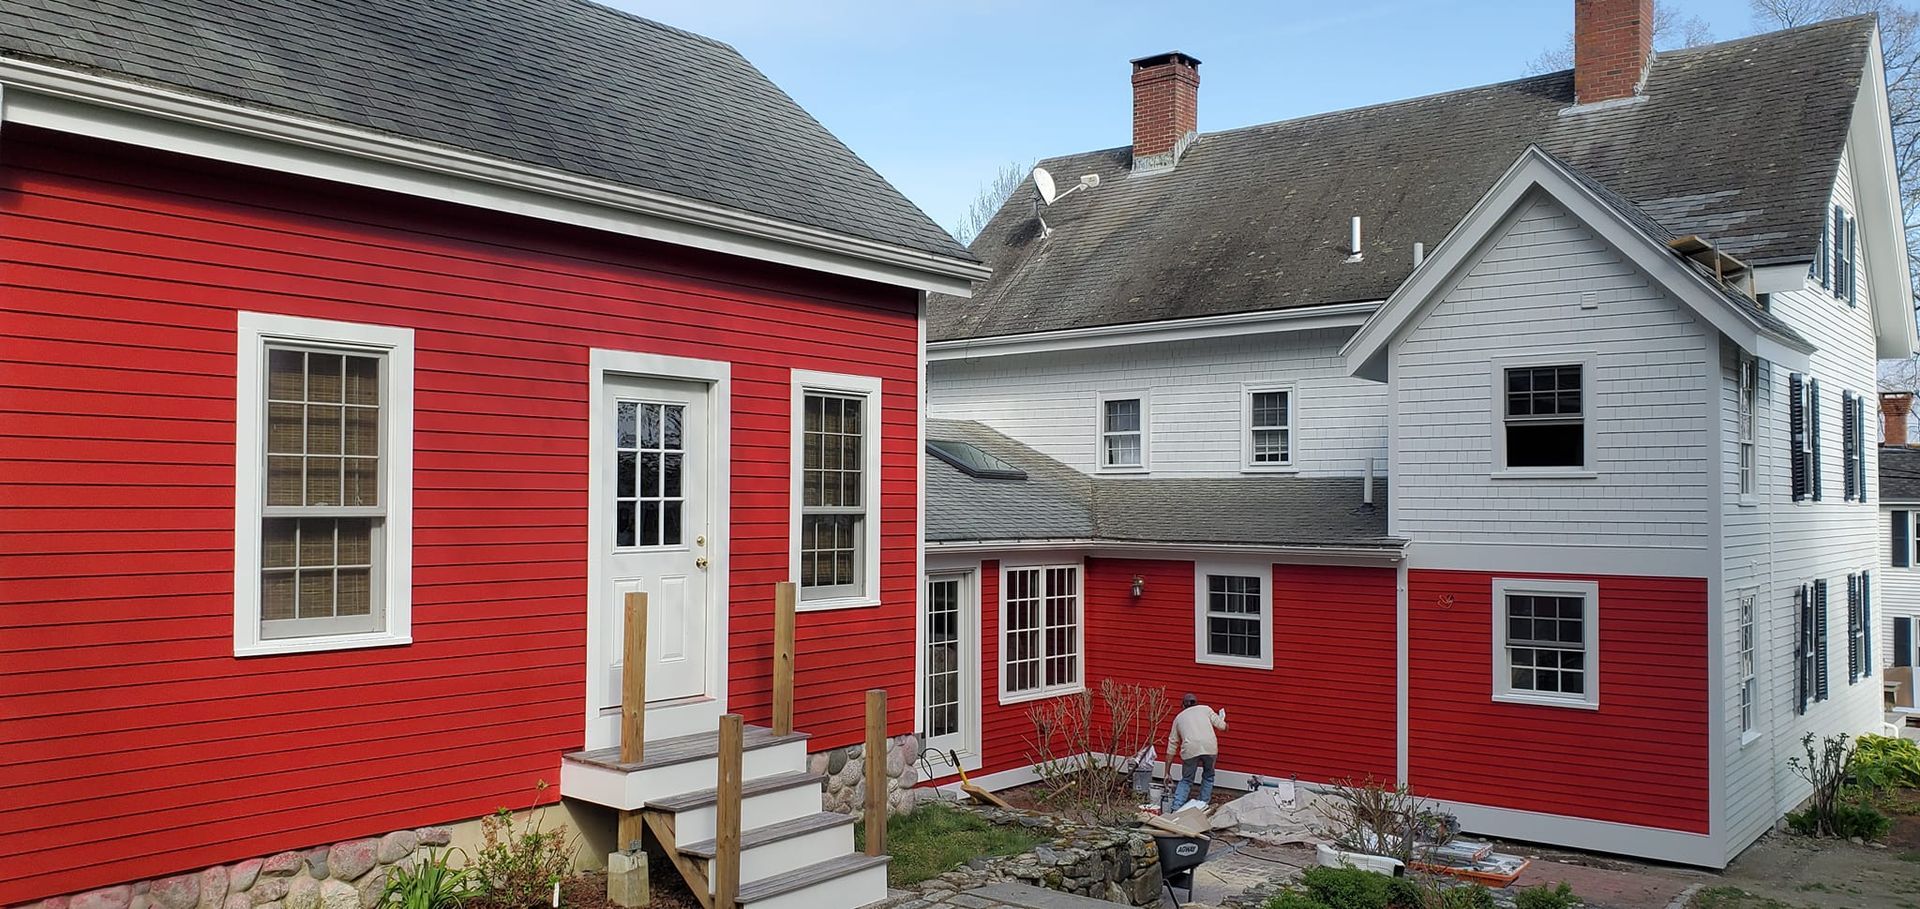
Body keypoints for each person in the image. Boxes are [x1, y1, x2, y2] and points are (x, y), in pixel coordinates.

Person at [1166, 692, 1226, 808]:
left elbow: (1172, 745)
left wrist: (1166, 772)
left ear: (1183, 705)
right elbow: (1223, 727)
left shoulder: (1179, 718)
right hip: (1210, 747)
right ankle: (1202, 805)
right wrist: (1224, 722)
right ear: (1196, 703)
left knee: (1187, 780)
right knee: (1208, 776)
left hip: (1190, 749)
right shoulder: (1206, 709)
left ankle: (1176, 808)